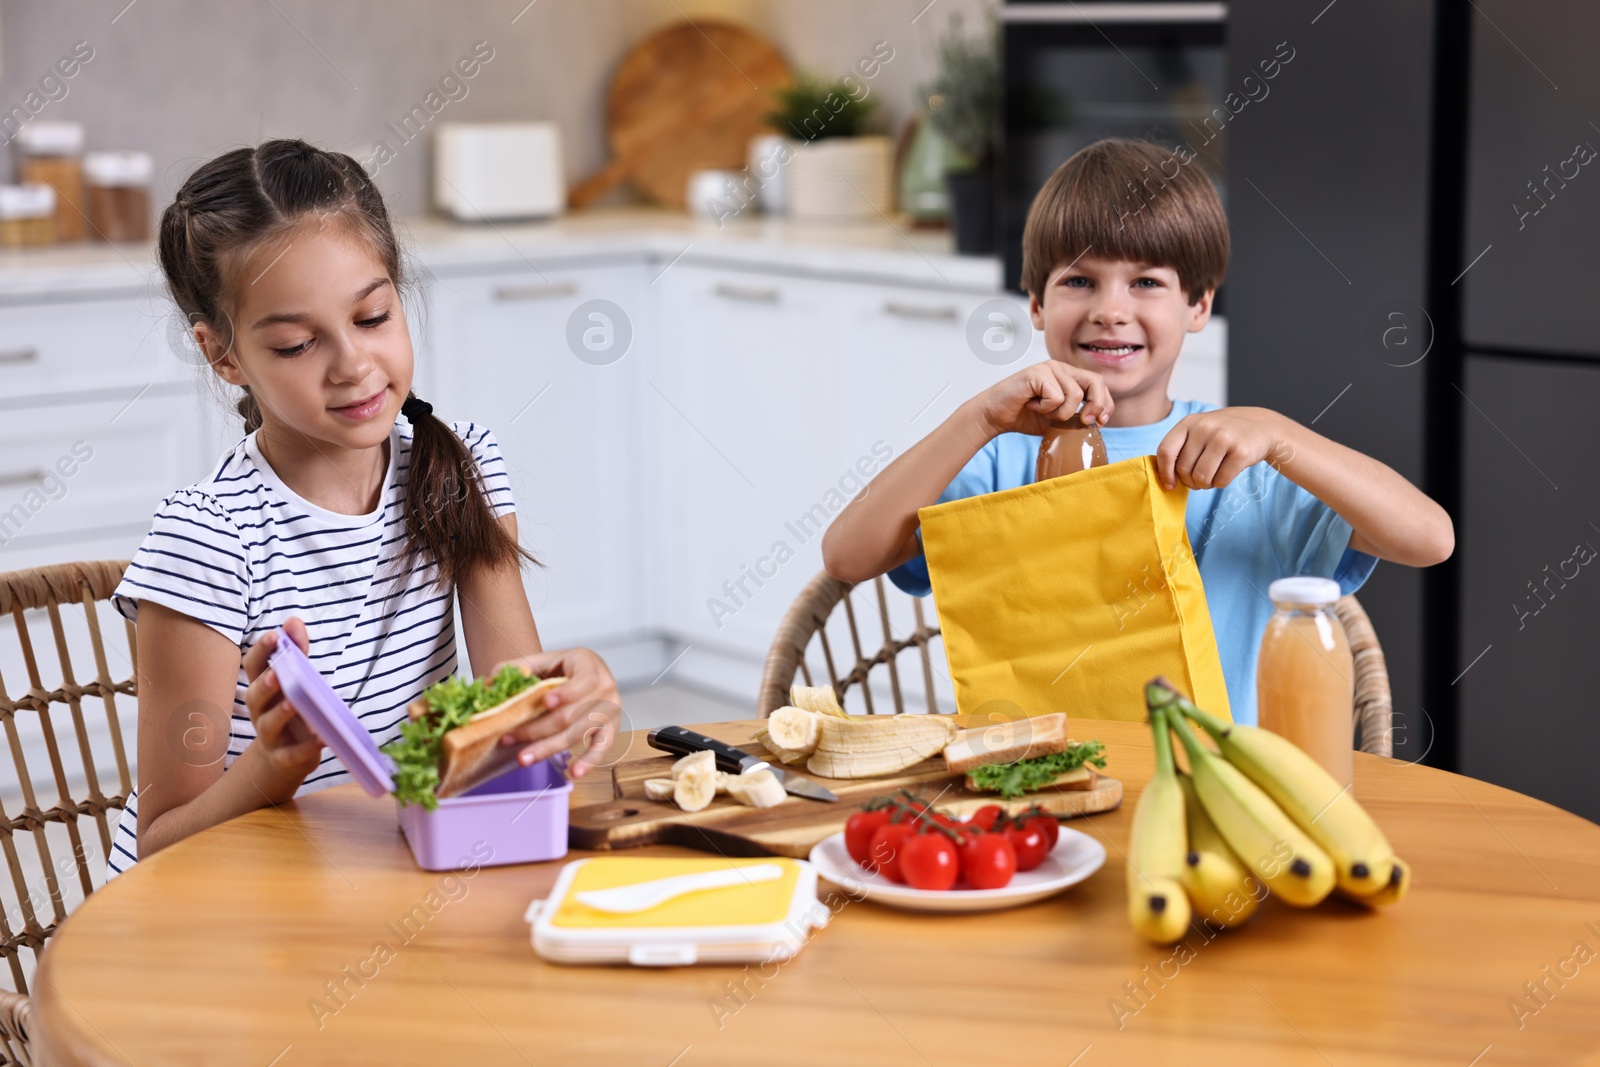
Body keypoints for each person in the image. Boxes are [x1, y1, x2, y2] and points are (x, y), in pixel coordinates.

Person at [108, 139, 621, 876]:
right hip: (219, 912)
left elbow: (508, 726)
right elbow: (159, 844)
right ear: (223, 355)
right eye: (294, 344)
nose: (352, 364)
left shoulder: (457, 467)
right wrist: (271, 772)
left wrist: (567, 698)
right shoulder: (210, 540)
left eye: (373, 316)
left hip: (379, 881)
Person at [821, 138, 1454, 726]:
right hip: (1036, 798)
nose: (1110, 310)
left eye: (1147, 282)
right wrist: (979, 417)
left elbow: (1429, 538)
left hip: (1212, 795)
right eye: (1078, 280)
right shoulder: (997, 460)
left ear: (1198, 305)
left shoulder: (1247, 462)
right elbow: (847, 556)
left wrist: (1279, 434)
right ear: (1036, 304)